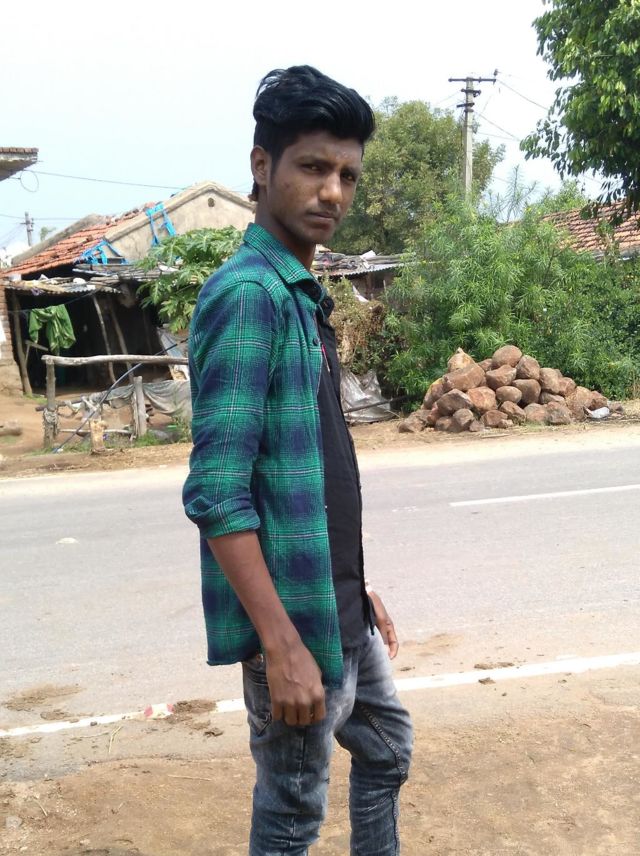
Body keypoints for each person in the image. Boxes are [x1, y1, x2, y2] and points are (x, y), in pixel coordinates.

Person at [183, 65, 413, 855]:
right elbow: (217, 494)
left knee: (386, 750)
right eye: (313, 167)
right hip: (296, 628)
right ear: (262, 165)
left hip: (336, 603)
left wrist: (352, 580)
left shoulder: (298, 294)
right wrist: (280, 646)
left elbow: (305, 470)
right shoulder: (248, 295)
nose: (333, 192)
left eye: (347, 175)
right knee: (290, 820)